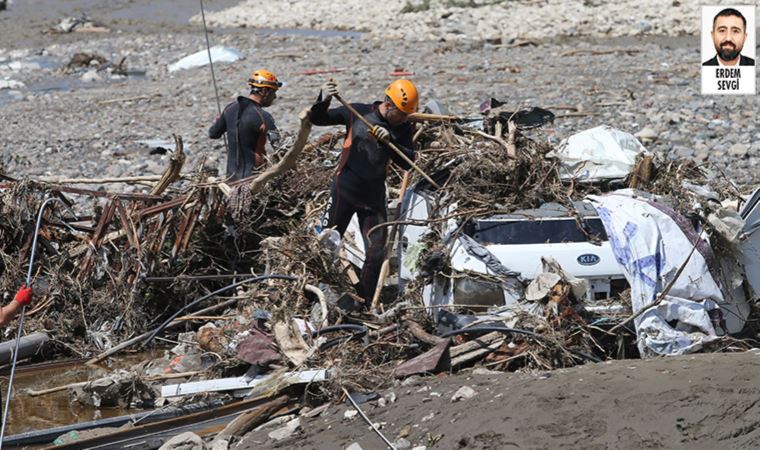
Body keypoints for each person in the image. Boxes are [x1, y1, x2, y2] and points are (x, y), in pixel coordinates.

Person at [310, 78, 418, 301]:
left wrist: (391, 143)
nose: (404, 119)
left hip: (373, 195)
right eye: (401, 113)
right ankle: (313, 293)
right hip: (345, 189)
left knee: (376, 251)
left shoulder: (402, 127)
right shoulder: (357, 112)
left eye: (407, 115)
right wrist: (323, 98)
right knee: (326, 243)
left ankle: (365, 302)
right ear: (388, 105)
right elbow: (318, 118)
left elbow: (409, 162)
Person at [209, 69, 282, 181]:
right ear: (264, 91)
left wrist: (222, 120)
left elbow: (213, 133)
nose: (275, 97)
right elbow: (279, 148)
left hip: (231, 179)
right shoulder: (263, 117)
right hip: (253, 179)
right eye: (273, 92)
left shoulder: (229, 109)